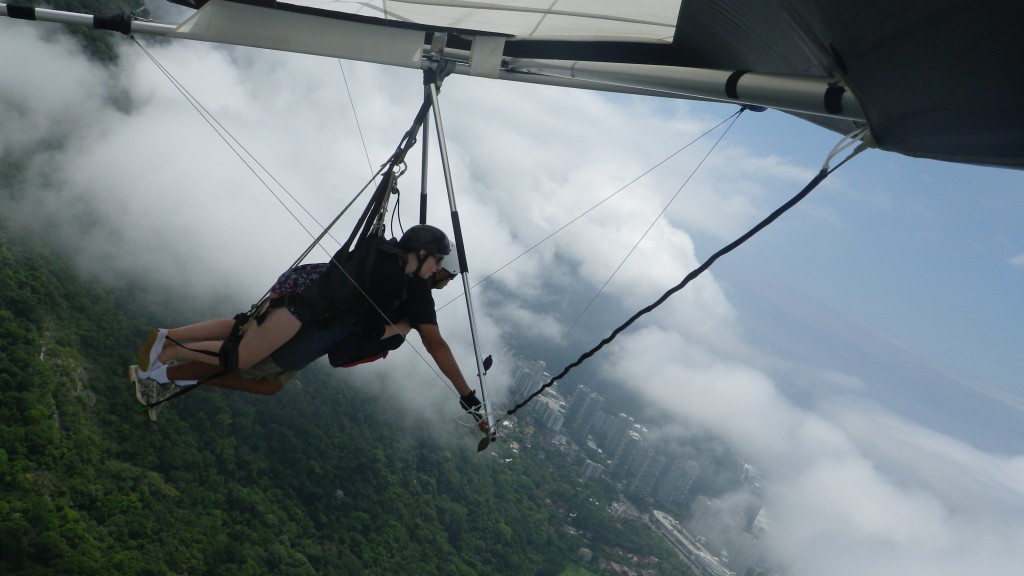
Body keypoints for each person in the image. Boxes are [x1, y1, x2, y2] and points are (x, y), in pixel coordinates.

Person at [130, 225, 484, 423]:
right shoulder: (408, 285)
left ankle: (165, 351)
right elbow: (434, 344)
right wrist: (467, 395)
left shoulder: (393, 260)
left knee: (247, 335)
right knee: (244, 359)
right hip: (309, 306)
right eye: (444, 269)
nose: (446, 279)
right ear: (431, 261)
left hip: (305, 286)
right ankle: (166, 353)